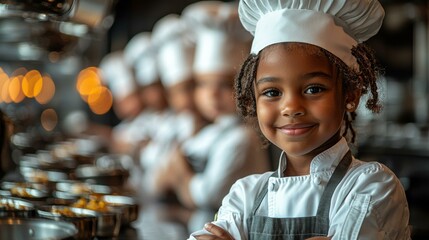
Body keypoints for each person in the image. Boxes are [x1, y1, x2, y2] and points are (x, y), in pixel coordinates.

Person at [188, 0, 411, 239]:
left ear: (350, 94)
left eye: (313, 89)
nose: (291, 107)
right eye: (272, 92)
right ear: (254, 100)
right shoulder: (245, 195)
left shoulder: (371, 187)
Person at [152, 0, 270, 225]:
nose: (212, 95)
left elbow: (206, 196)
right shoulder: (208, 133)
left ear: (244, 88)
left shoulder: (242, 138)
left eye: (225, 85)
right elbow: (158, 180)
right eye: (203, 84)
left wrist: (179, 173)